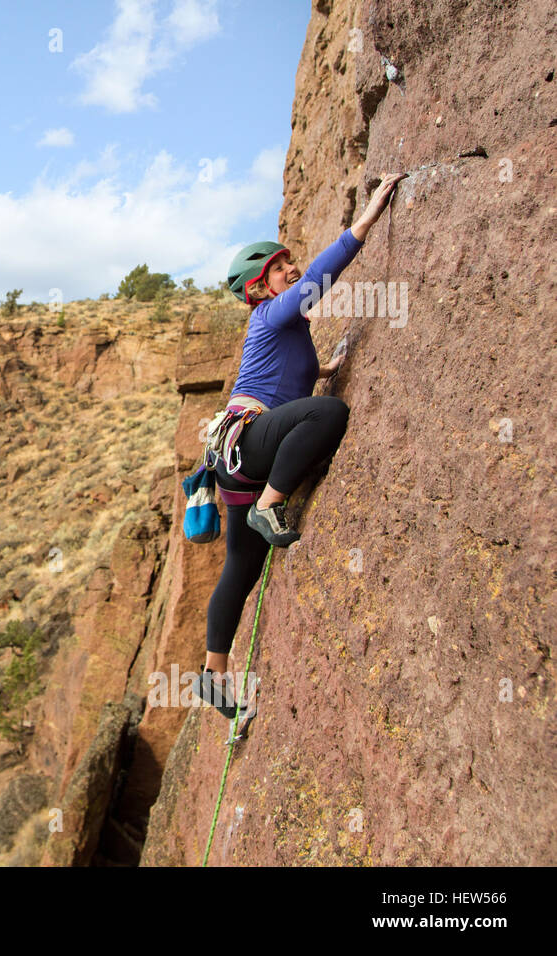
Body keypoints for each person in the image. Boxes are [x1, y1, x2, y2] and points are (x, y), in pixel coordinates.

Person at [198, 172, 407, 718]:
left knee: (242, 567)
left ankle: (212, 674)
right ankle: (271, 503)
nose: (291, 270)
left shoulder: (286, 331)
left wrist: (326, 367)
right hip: (251, 443)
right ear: (263, 288)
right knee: (331, 413)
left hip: (236, 457)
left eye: (289, 263)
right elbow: (321, 275)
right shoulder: (272, 313)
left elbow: (294, 374)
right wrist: (366, 220)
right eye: (280, 269)